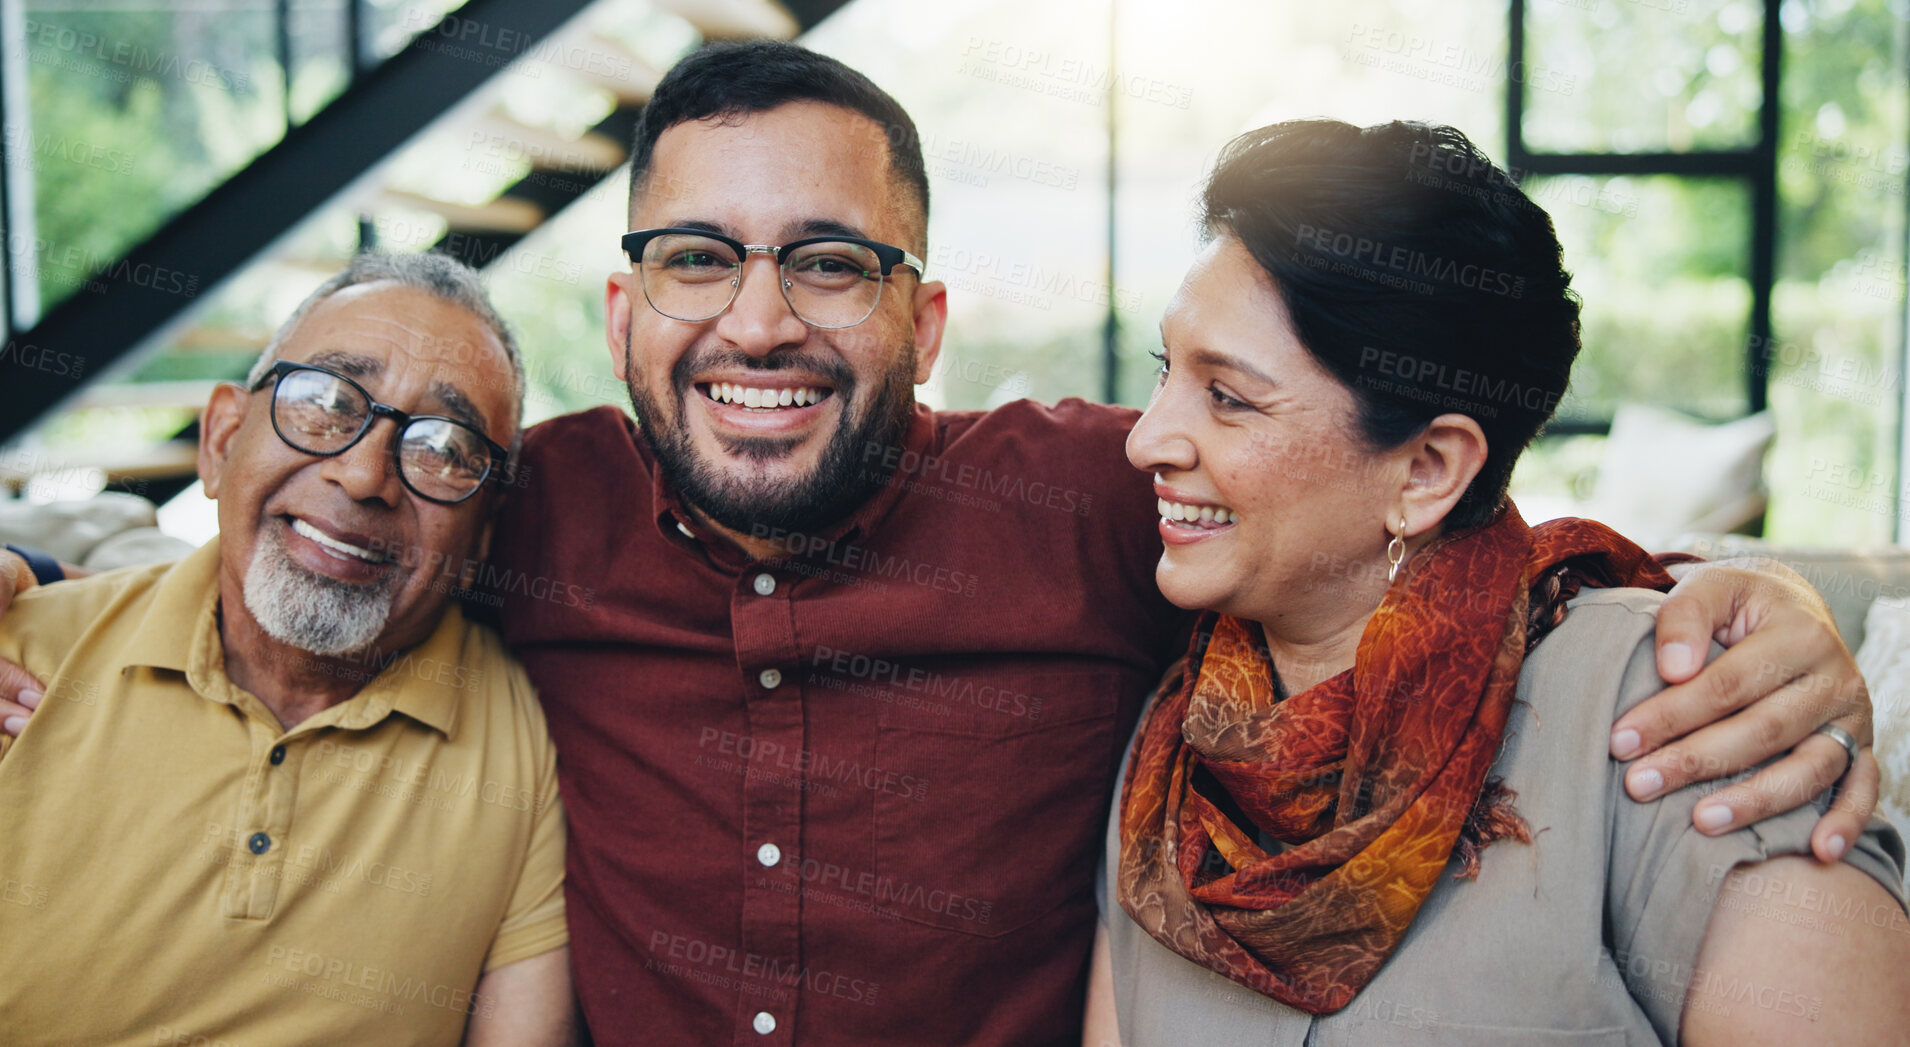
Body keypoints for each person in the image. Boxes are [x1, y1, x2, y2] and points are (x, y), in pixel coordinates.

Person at [0, 42, 1881, 1046]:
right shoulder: (512, 499)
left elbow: (1408, 539)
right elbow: (295, 533)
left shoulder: (1100, 503)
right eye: (696, 260)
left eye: (830, 261)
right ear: (621, 309)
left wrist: (1747, 602)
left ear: (928, 317)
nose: (758, 322)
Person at [1082, 119, 1909, 1046]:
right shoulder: (1170, 760)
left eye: (1228, 397)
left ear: (1427, 469)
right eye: (1167, 371)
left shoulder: (1682, 716)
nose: (1145, 438)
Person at [0, 253, 576, 1046]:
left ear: (482, 536)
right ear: (221, 438)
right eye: (327, 402)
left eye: (445, 450)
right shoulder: (22, 650)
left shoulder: (527, 745)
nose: (365, 473)